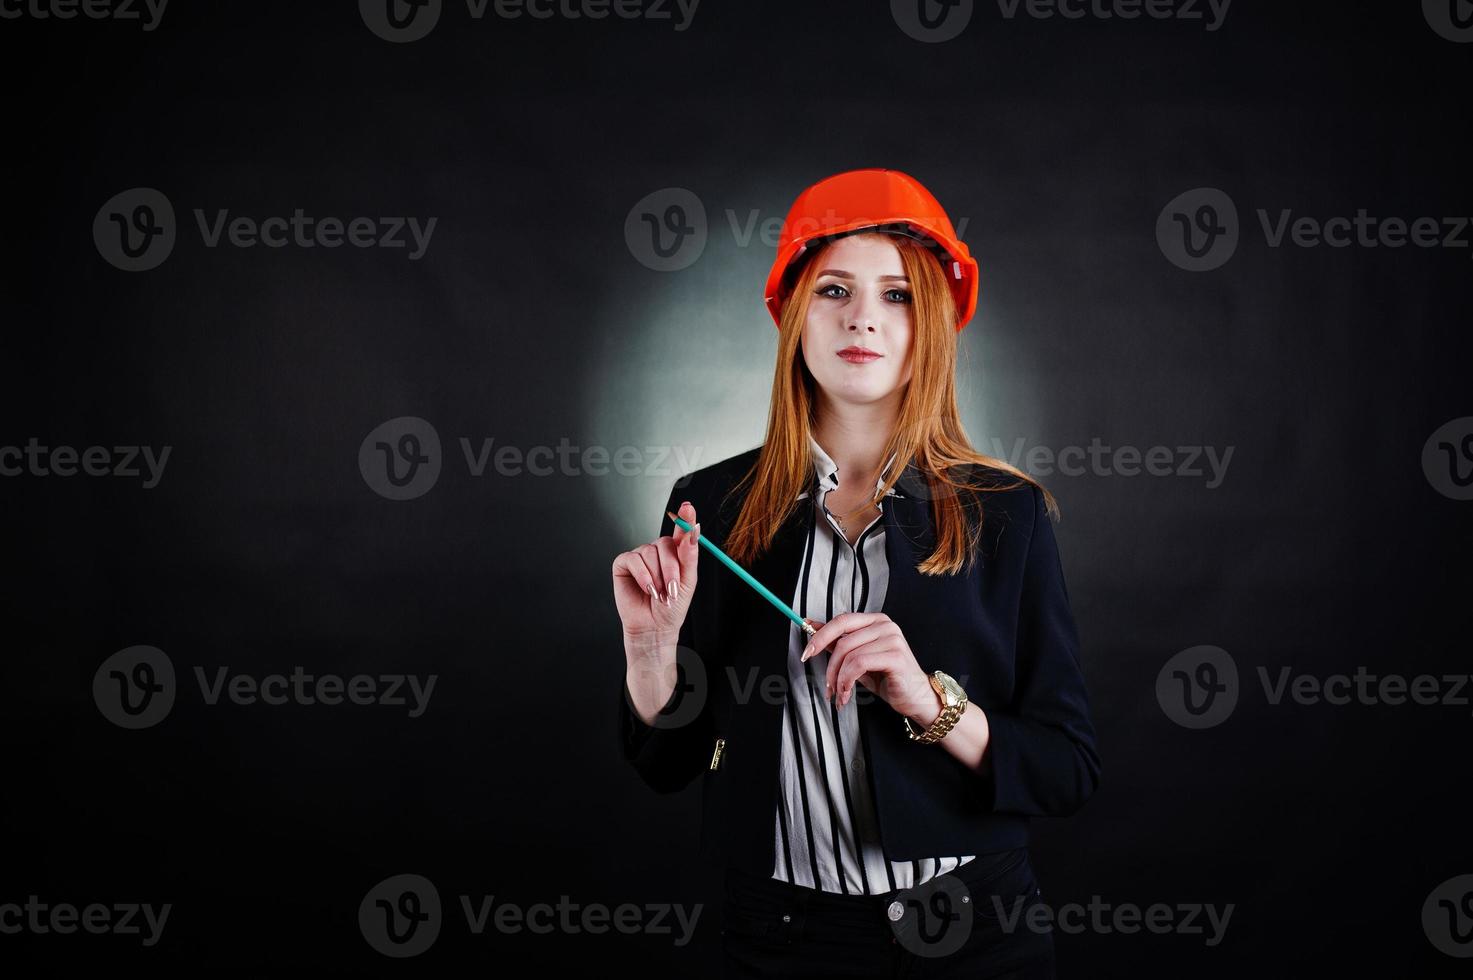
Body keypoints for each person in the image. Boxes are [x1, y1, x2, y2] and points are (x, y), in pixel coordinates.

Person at [611, 168, 1100, 978]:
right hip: (778, 939)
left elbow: (1066, 770)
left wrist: (928, 701)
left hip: (973, 939)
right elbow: (664, 767)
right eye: (834, 289)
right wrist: (651, 652)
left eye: (897, 295)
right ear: (795, 316)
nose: (863, 318)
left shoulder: (1006, 514)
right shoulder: (709, 506)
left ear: (931, 327)